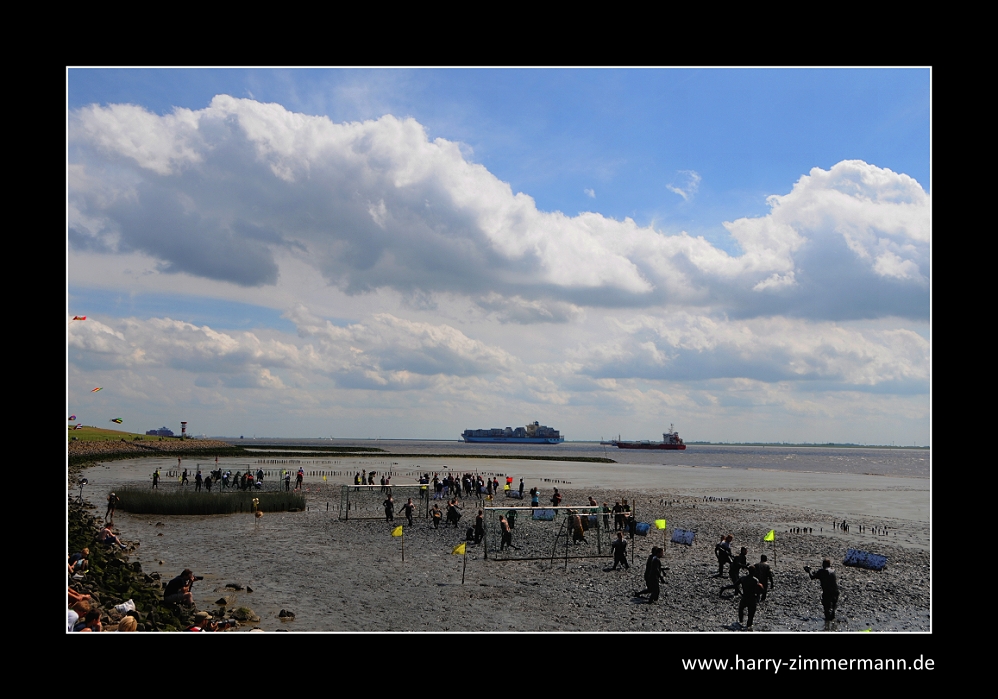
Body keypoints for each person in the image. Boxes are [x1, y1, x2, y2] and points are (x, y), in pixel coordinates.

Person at [806, 558, 840, 630]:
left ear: (823, 565)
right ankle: (833, 625)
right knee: (833, 609)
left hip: (827, 592)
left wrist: (809, 571)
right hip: (836, 591)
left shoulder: (822, 571)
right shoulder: (833, 570)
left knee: (826, 609)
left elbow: (812, 576)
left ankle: (826, 627)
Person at [735, 564, 765, 630]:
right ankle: (749, 626)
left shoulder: (743, 578)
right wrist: (757, 597)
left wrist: (740, 593)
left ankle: (741, 621)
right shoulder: (755, 580)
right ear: (754, 572)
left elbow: (735, 585)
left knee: (741, 609)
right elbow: (759, 590)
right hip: (752, 598)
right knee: (751, 614)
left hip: (745, 596)